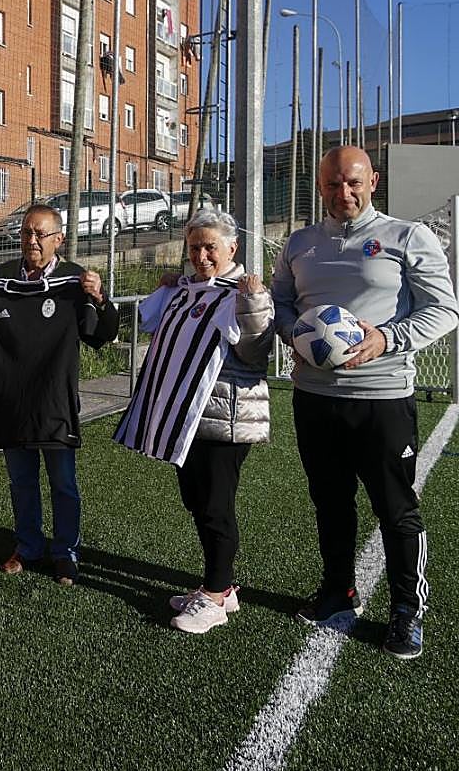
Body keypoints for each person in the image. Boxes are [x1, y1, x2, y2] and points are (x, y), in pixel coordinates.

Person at [272, 145, 458, 658]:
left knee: (396, 509)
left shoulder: (407, 237)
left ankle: (406, 610)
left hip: (382, 399)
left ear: (373, 180)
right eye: (332, 184)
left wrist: (386, 339)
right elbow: (282, 303)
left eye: (353, 182)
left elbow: (445, 311)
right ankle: (338, 591)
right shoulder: (301, 242)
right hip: (314, 398)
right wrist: (296, 336)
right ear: (320, 185)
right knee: (330, 503)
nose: (343, 193)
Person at [132, 209, 274, 633]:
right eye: (194, 247)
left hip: (226, 418)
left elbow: (255, 353)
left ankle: (215, 596)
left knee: (215, 505)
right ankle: (220, 585)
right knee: (196, 500)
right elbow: (146, 322)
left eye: (210, 246)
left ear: (232, 247)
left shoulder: (245, 291)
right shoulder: (187, 289)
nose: (202, 255)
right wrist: (166, 288)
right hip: (188, 419)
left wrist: (251, 301)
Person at [0, 204, 118, 585]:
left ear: (59, 240)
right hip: (12, 402)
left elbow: (100, 336)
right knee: (21, 481)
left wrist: (100, 299)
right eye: (26, 234)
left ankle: (66, 553)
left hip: (54, 402)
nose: (31, 241)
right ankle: (28, 544)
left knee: (63, 483)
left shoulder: (74, 281)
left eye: (40, 234)